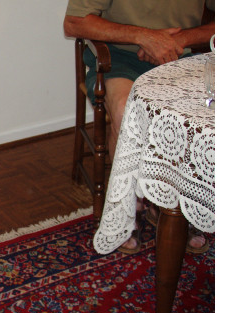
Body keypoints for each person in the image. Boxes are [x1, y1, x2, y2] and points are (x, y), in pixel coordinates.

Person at [63, 0, 214, 253]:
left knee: (196, 120)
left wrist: (179, 40)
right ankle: (127, 207)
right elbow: (74, 22)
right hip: (119, 56)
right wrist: (144, 37)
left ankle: (172, 203)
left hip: (181, 55)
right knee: (125, 111)